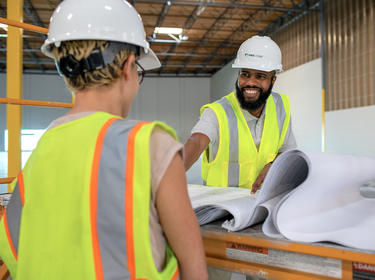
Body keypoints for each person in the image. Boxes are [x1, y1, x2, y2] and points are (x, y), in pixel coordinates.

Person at [0, 1, 208, 279]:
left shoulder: (40, 152)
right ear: (128, 67)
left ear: (65, 71)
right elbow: (195, 270)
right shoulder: (151, 145)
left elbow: (12, 253)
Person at [184, 35, 296, 194]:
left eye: (260, 76)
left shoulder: (281, 108)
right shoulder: (217, 112)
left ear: (273, 80)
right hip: (221, 209)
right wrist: (165, 177)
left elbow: (287, 151)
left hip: (262, 205)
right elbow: (195, 143)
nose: (250, 82)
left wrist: (273, 165)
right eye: (245, 74)